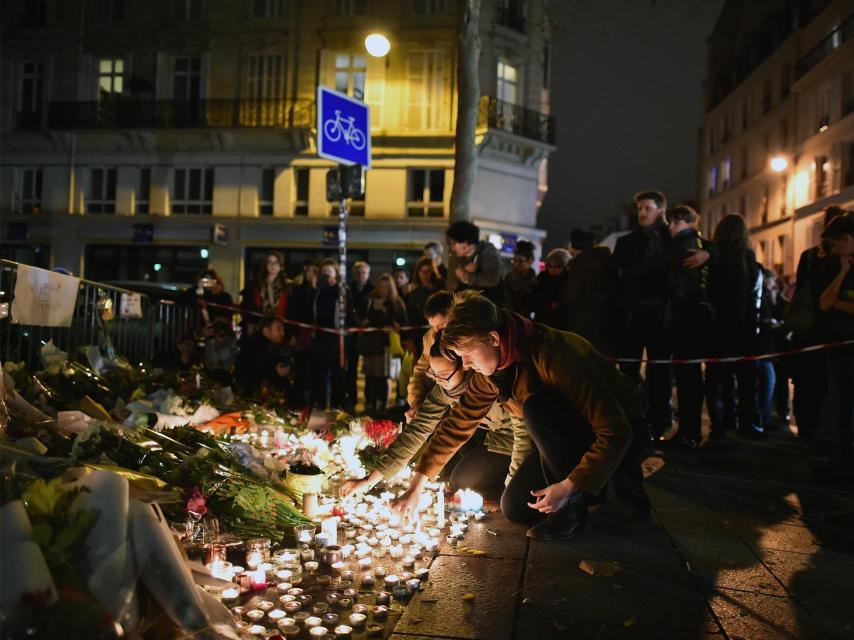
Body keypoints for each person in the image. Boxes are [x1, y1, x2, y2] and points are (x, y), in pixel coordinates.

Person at [393, 291, 649, 542]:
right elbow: (458, 424)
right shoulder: (495, 368)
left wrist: (569, 486)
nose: (467, 366)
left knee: (537, 407)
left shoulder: (554, 354)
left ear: (493, 338)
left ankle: (577, 506)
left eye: (468, 355)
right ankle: (588, 491)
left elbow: (616, 430)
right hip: (559, 442)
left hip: (610, 438)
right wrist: (415, 488)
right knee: (516, 507)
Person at [339, 332, 531, 501]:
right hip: (488, 436)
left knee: (461, 481)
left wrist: (513, 484)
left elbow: (523, 433)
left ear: (465, 365)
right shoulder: (444, 390)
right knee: (449, 475)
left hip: (518, 441)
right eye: (434, 375)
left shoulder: (488, 382)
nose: (439, 381)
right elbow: (416, 432)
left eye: (445, 374)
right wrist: (368, 481)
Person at [612, 190, 708, 440]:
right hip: (634, 313)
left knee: (660, 373)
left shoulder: (674, 236)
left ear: (661, 211)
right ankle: (629, 421)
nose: (642, 212)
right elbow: (616, 277)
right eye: (640, 208)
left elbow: (704, 246)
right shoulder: (626, 242)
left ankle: (659, 421)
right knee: (628, 371)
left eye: (647, 208)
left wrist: (708, 253)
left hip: (663, 314)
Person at [787, 206, 846, 443]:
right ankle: (825, 435)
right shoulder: (842, 259)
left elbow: (801, 290)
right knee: (831, 386)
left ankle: (807, 430)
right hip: (833, 326)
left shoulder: (809, 256)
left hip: (809, 328)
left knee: (806, 382)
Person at [705, 214, 763, 439]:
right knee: (747, 380)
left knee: (717, 377)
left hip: (716, 328)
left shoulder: (713, 257)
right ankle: (747, 422)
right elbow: (752, 298)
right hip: (744, 330)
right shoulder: (747, 258)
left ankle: (720, 421)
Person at [664, 205, 714, 448]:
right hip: (690, 314)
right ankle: (689, 431)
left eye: (677, 222)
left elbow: (666, 264)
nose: (672, 227)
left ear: (691, 223)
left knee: (688, 377)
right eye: (671, 222)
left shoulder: (687, 243)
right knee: (689, 377)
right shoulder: (698, 244)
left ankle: (688, 433)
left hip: (687, 315)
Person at [816, 213, 854, 483]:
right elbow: (824, 303)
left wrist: (840, 305)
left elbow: (834, 304)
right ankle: (839, 460)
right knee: (840, 405)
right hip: (838, 347)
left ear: (847, 239)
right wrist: (842, 272)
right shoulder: (837, 264)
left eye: (835, 244)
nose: (833, 249)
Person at [358, 273, 408, 413]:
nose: (383, 290)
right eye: (381, 287)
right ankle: (371, 405)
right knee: (371, 376)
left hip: (387, 344)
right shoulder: (369, 300)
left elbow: (403, 321)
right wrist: (364, 322)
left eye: (386, 287)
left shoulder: (396, 302)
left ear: (391, 288)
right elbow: (360, 317)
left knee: (385, 376)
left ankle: (383, 407)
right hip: (371, 343)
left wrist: (393, 323)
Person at [405, 290, 454, 422]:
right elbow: (420, 370)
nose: (436, 330)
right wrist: (416, 402)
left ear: (453, 314)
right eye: (432, 326)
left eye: (440, 325)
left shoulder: (463, 338)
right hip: (436, 398)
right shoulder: (430, 337)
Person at [312, 259, 356, 408]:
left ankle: (337, 406)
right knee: (320, 372)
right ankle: (320, 404)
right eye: (323, 272)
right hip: (320, 337)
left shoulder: (342, 290)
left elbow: (349, 311)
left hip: (337, 338)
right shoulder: (316, 290)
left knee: (338, 373)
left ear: (335, 274)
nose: (326, 275)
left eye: (329, 272)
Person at [563, 229, 615, 352]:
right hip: (605, 320)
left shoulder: (579, 265)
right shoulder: (606, 259)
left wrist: (561, 294)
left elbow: (572, 295)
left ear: (574, 245)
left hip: (583, 322)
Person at [287, 259, 320, 405]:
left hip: (317, 338)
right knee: (300, 369)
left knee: (315, 372)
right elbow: (295, 312)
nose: (311, 274)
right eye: (309, 271)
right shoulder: (298, 290)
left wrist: (315, 289)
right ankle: (298, 402)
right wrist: (293, 334)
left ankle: (313, 402)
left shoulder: (322, 290)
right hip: (301, 335)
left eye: (315, 272)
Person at [445, 221, 502, 304]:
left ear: (465, 243)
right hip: (465, 303)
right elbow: (452, 282)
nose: (452, 248)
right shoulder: (457, 256)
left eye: (453, 243)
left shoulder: (487, 251)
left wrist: (467, 277)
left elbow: (493, 278)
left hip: (487, 304)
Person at [234, 315, 292, 396]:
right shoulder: (255, 346)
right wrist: (276, 373)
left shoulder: (270, 345)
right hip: (249, 394)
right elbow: (253, 374)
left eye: (283, 329)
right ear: (266, 331)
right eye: (278, 329)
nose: (283, 333)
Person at [347, 261, 374, 409]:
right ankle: (352, 397)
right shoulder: (348, 289)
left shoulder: (373, 290)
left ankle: (369, 398)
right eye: (358, 272)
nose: (361, 275)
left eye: (363, 272)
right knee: (351, 367)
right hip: (352, 333)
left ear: (368, 274)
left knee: (370, 368)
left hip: (369, 335)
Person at [404, 257, 445, 356]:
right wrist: (408, 338)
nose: (425, 275)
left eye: (428, 272)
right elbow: (410, 314)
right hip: (416, 335)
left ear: (433, 272)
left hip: (435, 333)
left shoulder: (440, 289)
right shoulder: (414, 291)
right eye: (422, 271)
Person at [241, 251, 291, 333]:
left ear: (281, 266)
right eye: (269, 262)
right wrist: (250, 323)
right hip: (259, 327)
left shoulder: (288, 287)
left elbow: (291, 311)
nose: (272, 266)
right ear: (265, 265)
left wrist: (290, 331)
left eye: (276, 263)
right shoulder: (254, 285)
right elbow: (247, 306)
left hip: (281, 329)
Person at [532, 248, 570, 329]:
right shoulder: (542, 278)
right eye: (550, 266)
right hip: (542, 320)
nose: (553, 269)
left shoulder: (567, 281)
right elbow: (535, 298)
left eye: (557, 266)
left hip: (560, 322)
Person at [502, 240, 537, 317]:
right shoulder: (508, 278)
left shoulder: (536, 282)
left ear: (530, 261)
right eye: (514, 260)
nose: (516, 264)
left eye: (520, 261)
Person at [204, 318, 238, 386]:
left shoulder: (232, 344)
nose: (221, 338)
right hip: (212, 379)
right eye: (218, 334)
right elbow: (209, 365)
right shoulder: (211, 344)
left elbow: (231, 364)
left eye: (224, 334)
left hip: (227, 379)